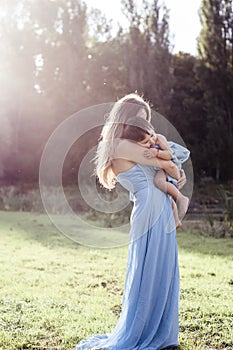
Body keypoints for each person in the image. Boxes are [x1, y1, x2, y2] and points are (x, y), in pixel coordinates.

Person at [75, 93, 187, 350]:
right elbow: (165, 160)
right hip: (149, 209)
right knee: (149, 271)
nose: (144, 128)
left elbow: (163, 165)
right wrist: (173, 167)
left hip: (158, 206)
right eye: (138, 121)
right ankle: (144, 332)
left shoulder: (133, 145)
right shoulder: (118, 145)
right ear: (124, 120)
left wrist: (174, 173)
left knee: (163, 269)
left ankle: (163, 334)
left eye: (146, 121)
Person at [122, 116, 190, 228]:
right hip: (160, 167)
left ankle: (181, 198)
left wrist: (156, 152)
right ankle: (176, 220)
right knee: (165, 195)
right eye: (146, 142)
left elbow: (169, 155)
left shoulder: (159, 138)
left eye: (152, 135)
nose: (152, 141)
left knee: (159, 181)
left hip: (170, 161)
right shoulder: (136, 148)